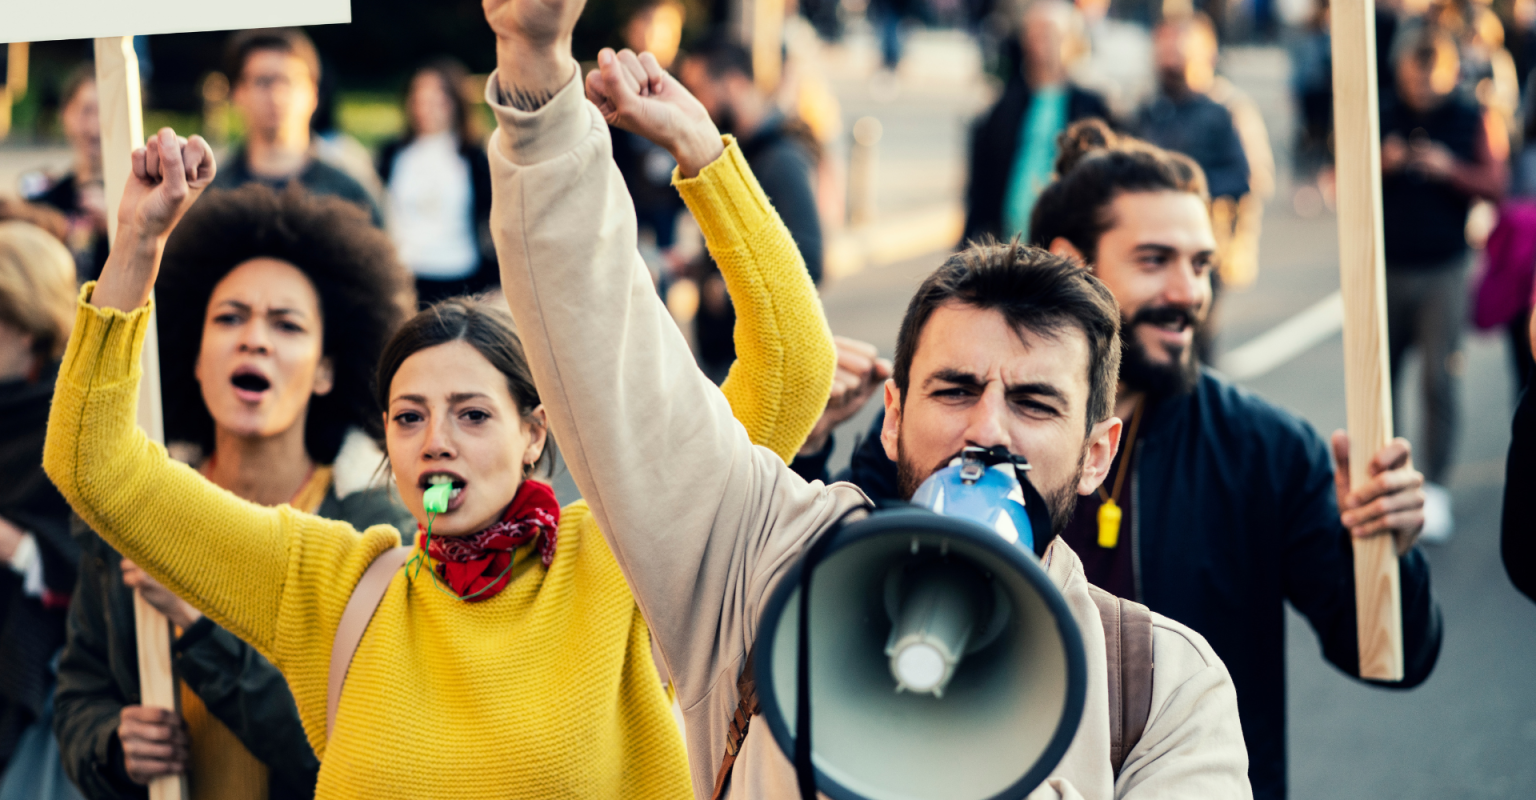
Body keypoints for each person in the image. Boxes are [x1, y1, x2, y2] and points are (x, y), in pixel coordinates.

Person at [42, 23, 839, 794]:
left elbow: (794, 369)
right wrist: (137, 250)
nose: (437, 441)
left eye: (472, 414)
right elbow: (96, 467)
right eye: (410, 416)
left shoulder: (627, 557)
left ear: (535, 432)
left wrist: (702, 153)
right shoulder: (331, 587)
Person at [510, 9, 1248, 797]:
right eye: (955, 389)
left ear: (1097, 452)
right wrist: (533, 66)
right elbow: (609, 360)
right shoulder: (765, 564)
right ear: (892, 416)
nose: (986, 433)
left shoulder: (1161, 686)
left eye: (1035, 403)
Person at [795, 120, 1441, 800]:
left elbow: (1394, 658)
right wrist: (806, 447)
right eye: (1155, 260)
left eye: (1200, 265)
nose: (1190, 292)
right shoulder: (952, 428)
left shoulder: (1266, 451)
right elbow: (821, 603)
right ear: (1072, 261)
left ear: (1097, 451)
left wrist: (1381, 550)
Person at [53, 185, 416, 800]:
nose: (254, 339)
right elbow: (80, 690)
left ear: (327, 369)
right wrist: (112, 743)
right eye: (229, 317)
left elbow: (353, 756)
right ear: (193, 358)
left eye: (287, 324)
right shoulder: (133, 517)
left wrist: (199, 630)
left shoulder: (376, 541)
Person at [1381, 24, 1508, 543]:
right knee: (1378, 381)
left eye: (1431, 80)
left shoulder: (1472, 116)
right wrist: (1381, 162)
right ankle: (1384, 482)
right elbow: (1338, 172)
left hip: (1444, 267)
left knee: (1438, 380)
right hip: (1386, 265)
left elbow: (1496, 183)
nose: (1422, 90)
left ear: (1452, 73)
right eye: (1414, 80)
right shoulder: (1383, 110)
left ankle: (1435, 488)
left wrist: (1447, 168)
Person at [679, 36, 823, 382]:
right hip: (731, 359)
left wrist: (723, 291)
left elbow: (809, 260)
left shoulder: (780, 159)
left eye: (700, 90)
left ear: (735, 83)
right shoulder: (742, 155)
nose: (697, 105)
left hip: (756, 369)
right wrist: (700, 267)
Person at [0, 221, 83, 797]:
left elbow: (95, 560)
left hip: (39, 676)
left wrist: (20, 546)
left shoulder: (68, 420)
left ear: (30, 329)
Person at [963, 0, 1109, 244]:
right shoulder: (1003, 107)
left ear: (1070, 39)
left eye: (1050, 32)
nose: (1040, 42)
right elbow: (980, 187)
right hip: (1009, 241)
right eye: (1034, 32)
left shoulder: (1093, 106)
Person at [210, 29, 381, 226]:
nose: (276, 95)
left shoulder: (351, 189)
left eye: (289, 81)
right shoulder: (212, 192)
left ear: (314, 93)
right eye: (263, 81)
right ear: (238, 93)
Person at [377, 59, 497, 304]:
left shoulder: (474, 157)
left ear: (455, 103)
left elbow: (492, 219)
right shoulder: (393, 153)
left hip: (460, 276)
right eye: (420, 99)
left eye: (437, 100)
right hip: (404, 277)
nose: (427, 109)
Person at [1136, 13, 1249, 204]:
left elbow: (1243, 177)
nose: (1170, 65)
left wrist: (1183, 188)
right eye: (1164, 55)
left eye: (1178, 56)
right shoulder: (1149, 110)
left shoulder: (1225, 109)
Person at [25, 67, 109, 282]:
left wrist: (119, 226)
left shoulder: (139, 198)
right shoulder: (47, 200)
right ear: (66, 115)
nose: (95, 126)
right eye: (86, 111)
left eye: (106, 112)